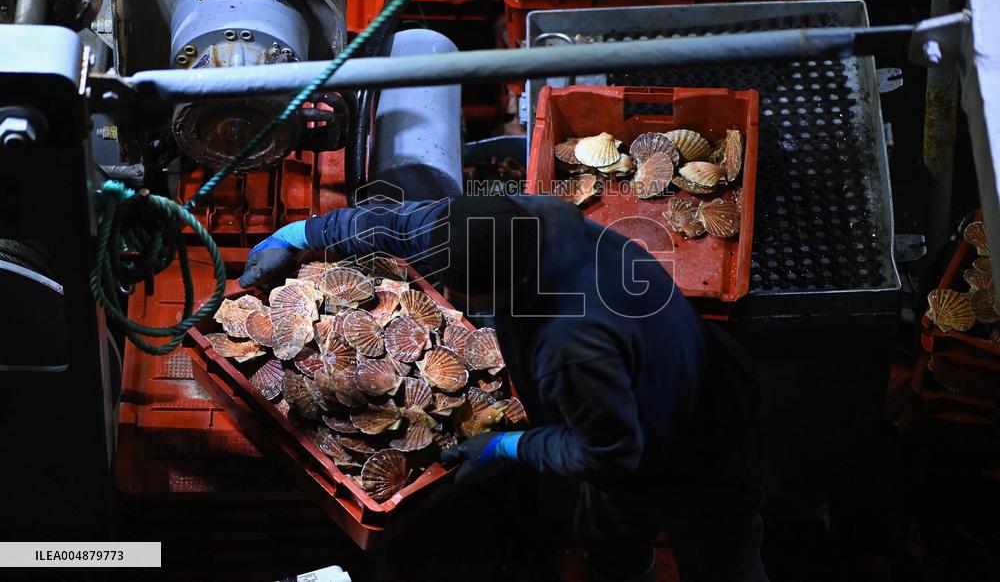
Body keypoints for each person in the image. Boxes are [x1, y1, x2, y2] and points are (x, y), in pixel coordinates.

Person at [240, 194, 767, 582]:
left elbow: (611, 454)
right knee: (607, 535)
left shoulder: (569, 343)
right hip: (661, 351)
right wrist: (300, 235)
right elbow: (400, 225)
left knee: (721, 557)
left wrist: (507, 446)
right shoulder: (521, 218)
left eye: (464, 294)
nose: (448, 296)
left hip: (696, 436)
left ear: (512, 286)